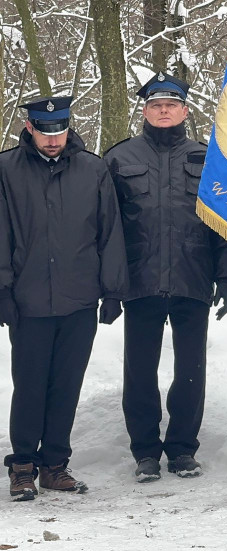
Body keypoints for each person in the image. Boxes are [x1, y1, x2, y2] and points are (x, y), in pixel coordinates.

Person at [104, 72, 227, 482]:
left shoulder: (209, 157)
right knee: (140, 371)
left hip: (192, 276)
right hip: (140, 280)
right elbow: (107, 228)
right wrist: (111, 285)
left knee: (191, 370)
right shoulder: (119, 158)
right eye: (156, 105)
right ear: (144, 110)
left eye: (171, 105)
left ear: (184, 110)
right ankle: (145, 452)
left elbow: (224, 224)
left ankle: (183, 450)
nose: (164, 111)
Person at [0, 96, 128, 501]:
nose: (53, 140)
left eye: (59, 131)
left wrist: (112, 290)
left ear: (68, 128)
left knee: (67, 385)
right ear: (30, 127)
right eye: (45, 131)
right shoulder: (5, 169)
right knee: (31, 384)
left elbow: (109, 232)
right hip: (29, 300)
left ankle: (55, 465)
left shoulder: (93, 169)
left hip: (79, 299)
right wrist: (3, 289)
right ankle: (22, 467)